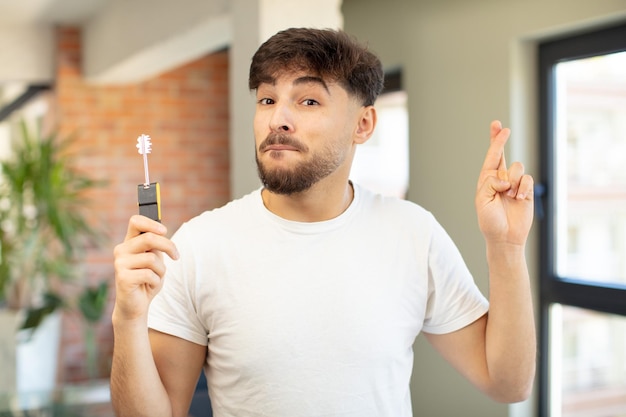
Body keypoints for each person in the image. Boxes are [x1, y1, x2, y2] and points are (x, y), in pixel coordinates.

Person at [111, 27, 536, 417]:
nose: (278, 119)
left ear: (363, 124)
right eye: (267, 99)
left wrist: (507, 249)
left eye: (308, 100)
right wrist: (128, 320)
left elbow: (508, 382)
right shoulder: (200, 246)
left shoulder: (413, 233)